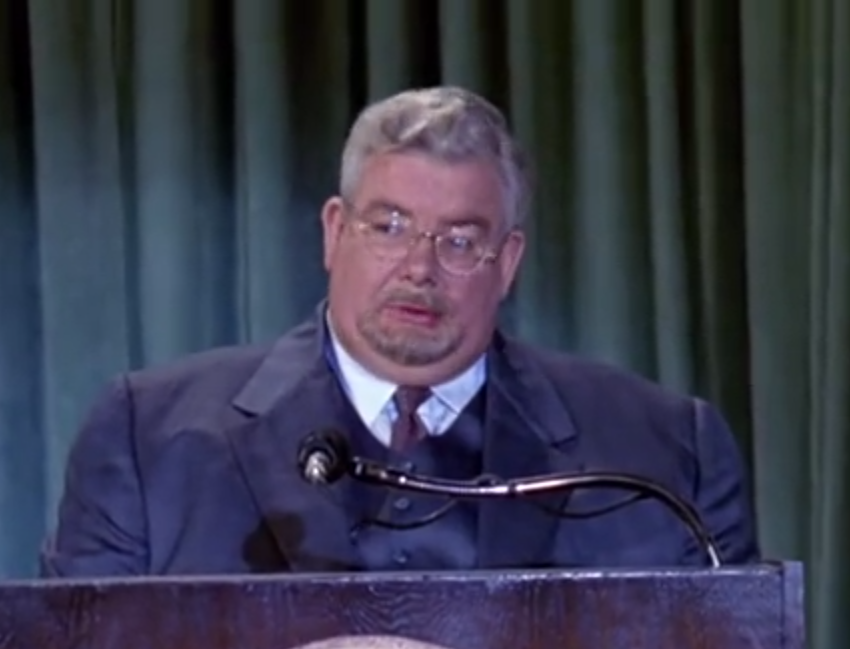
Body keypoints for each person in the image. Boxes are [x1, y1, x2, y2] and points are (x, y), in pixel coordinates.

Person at [40, 86, 759, 577]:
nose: (419, 268)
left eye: (459, 241)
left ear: (508, 261)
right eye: (388, 227)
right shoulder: (149, 440)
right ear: (334, 232)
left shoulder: (664, 457)